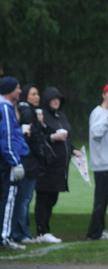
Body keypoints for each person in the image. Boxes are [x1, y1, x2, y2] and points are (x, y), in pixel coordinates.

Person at [35, 87, 81, 244]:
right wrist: (53, 137)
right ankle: (42, 231)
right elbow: (38, 137)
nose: (56, 101)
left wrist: (73, 149)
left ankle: (44, 230)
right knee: (44, 198)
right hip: (46, 165)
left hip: (60, 168)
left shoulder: (61, 115)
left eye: (58, 99)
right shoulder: (41, 116)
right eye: (53, 99)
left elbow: (67, 137)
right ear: (47, 100)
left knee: (52, 198)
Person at [14, 84, 49, 244]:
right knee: (24, 199)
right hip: (28, 162)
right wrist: (40, 153)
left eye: (37, 94)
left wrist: (41, 124)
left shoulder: (31, 112)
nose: (37, 97)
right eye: (33, 94)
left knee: (24, 199)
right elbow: (30, 138)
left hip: (29, 162)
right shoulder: (28, 112)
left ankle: (21, 232)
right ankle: (22, 234)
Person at [86, 82, 108, 240]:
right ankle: (94, 233)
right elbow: (96, 133)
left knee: (105, 198)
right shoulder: (99, 113)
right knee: (101, 199)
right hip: (101, 164)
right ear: (103, 95)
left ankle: (100, 229)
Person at [0, 76, 28, 249]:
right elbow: (7, 138)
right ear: (9, 90)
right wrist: (15, 161)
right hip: (7, 163)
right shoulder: (4, 108)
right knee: (9, 198)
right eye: (17, 88)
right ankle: (4, 237)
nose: (19, 91)